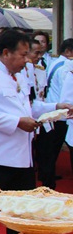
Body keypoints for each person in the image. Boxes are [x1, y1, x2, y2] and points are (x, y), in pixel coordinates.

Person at [0, 29, 70, 234]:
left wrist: (55, 107)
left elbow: (28, 107)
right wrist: (16, 122)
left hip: (22, 155)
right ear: (6, 53)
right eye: (23, 55)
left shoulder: (21, 74)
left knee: (21, 213)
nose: (27, 60)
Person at [36, 38, 73, 188]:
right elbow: (67, 96)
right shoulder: (66, 67)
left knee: (51, 147)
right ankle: (47, 177)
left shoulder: (55, 62)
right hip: (59, 113)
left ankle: (47, 175)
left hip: (55, 111)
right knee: (51, 148)